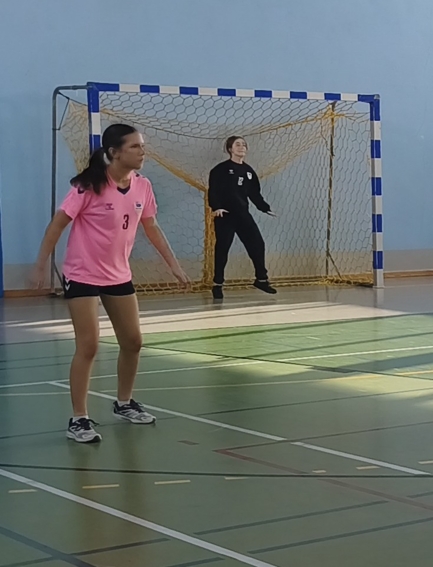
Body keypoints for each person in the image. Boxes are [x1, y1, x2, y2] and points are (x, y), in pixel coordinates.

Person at [30, 124, 190, 444]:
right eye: (135, 147)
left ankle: (124, 403)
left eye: (142, 146)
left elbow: (152, 227)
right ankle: (79, 419)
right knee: (88, 345)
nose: (142, 152)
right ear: (114, 153)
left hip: (118, 274)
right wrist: (41, 264)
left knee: (133, 342)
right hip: (82, 274)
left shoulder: (142, 186)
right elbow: (57, 224)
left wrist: (173, 265)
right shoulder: (88, 186)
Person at [207, 136, 277, 300]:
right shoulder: (220, 169)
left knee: (258, 244)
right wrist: (216, 207)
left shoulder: (248, 171)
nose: (241, 147)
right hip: (225, 215)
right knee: (223, 248)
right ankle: (217, 284)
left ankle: (261, 280)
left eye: (244, 145)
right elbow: (213, 190)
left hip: (243, 215)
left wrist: (264, 208)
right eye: (237, 144)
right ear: (230, 149)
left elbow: (254, 194)